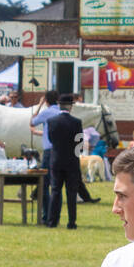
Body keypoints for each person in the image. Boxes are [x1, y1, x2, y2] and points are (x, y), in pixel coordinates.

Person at [46, 93, 82, 230]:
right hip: (72, 160)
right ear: (70, 107)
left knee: (55, 190)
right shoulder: (76, 122)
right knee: (71, 192)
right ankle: (71, 222)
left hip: (56, 159)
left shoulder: (51, 121)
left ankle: (52, 221)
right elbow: (79, 142)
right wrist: (76, 156)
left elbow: (50, 139)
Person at [30, 89, 61, 222]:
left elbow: (32, 122)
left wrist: (39, 106)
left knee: (44, 184)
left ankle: (46, 215)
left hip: (49, 152)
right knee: (56, 185)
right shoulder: (60, 112)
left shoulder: (46, 112)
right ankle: (55, 216)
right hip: (60, 151)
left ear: (47, 101)